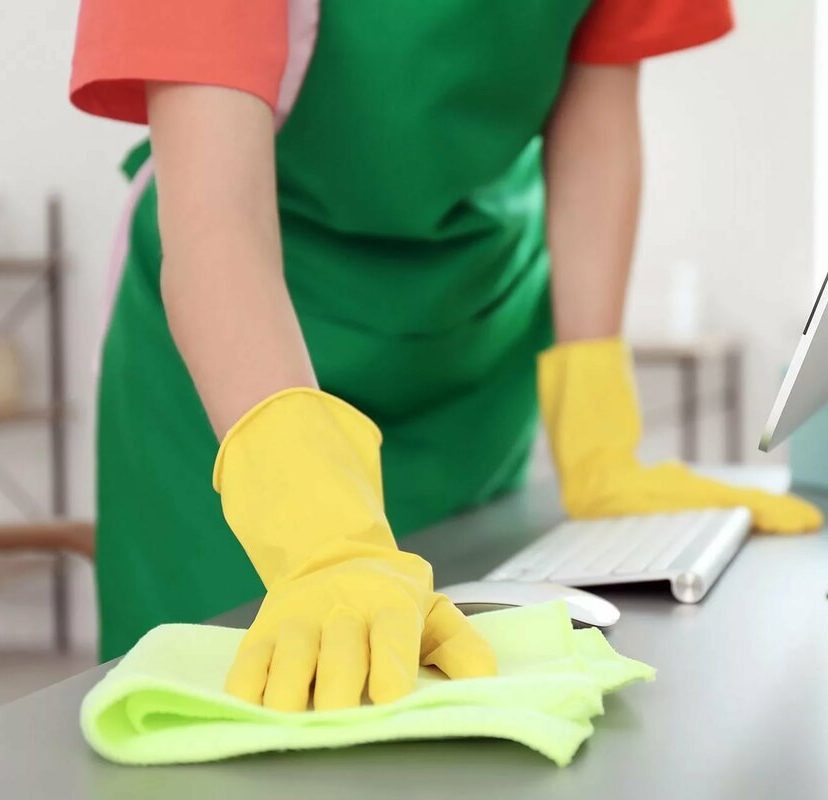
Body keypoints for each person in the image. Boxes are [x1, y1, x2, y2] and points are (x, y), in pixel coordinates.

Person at [70, 0, 822, 711]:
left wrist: (599, 439)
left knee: (464, 703)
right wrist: (321, 536)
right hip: (237, 372)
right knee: (232, 708)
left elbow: (595, 95)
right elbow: (216, 219)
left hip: (466, 341)